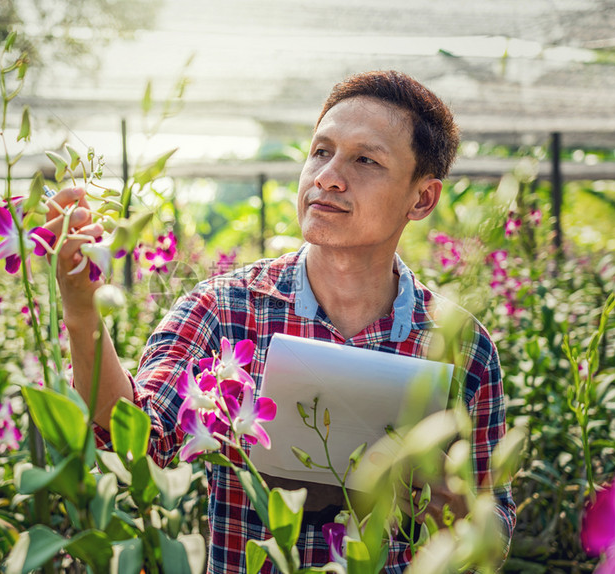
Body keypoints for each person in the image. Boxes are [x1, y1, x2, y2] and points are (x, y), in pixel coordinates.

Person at [43, 70, 516, 573]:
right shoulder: (223, 310)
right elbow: (136, 436)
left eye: (365, 160)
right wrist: (81, 312)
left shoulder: (461, 345)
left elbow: (494, 534)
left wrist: (456, 508)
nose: (328, 176)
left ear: (421, 198)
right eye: (321, 151)